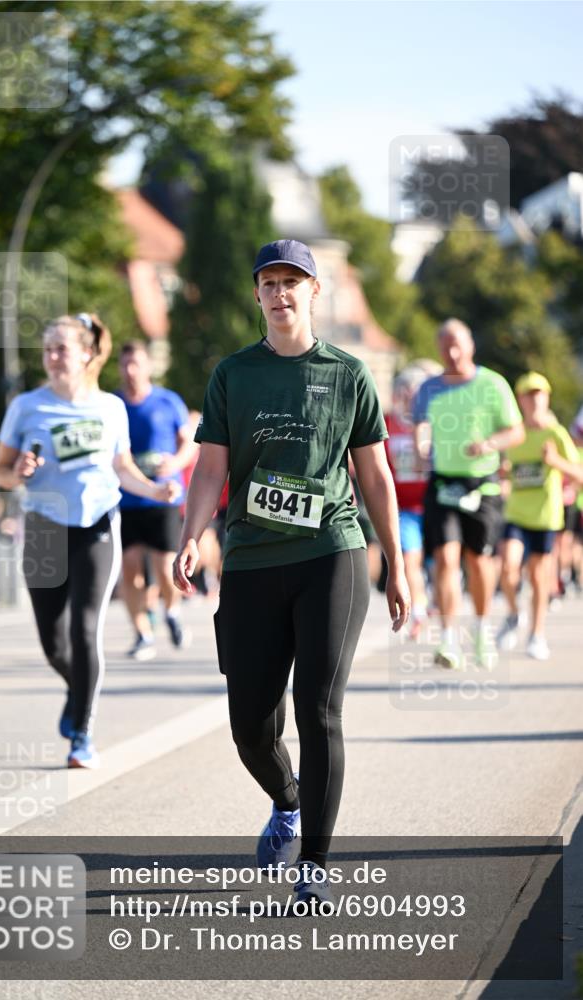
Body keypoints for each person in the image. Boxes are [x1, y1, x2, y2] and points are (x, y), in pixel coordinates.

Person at [173, 239, 410, 909]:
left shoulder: (347, 373)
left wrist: (397, 564)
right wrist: (192, 535)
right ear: (257, 293)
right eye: (270, 282)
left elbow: (374, 475)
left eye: (292, 281)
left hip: (331, 552)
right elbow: (211, 467)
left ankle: (315, 864)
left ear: (313, 292)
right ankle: (287, 801)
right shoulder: (233, 374)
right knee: (250, 724)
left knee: (318, 709)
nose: (280, 293)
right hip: (251, 558)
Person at [0, 314, 176, 769]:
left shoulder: (110, 408)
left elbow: (122, 467)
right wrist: (16, 473)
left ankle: (82, 733)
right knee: (54, 643)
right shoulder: (26, 406)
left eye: (62, 348)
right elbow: (0, 471)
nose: (53, 357)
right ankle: (78, 691)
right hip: (44, 528)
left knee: (85, 628)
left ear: (87, 354)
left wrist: (155, 491)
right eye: (47, 349)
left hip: (97, 523)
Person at [413, 319, 524, 669]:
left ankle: (480, 628)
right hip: (443, 482)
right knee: (445, 558)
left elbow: (516, 431)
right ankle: (448, 639)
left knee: (478, 561)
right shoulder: (429, 387)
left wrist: (489, 443)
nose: (452, 352)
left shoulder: (493, 384)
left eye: (457, 344)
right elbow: (421, 426)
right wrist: (421, 447)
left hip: (482, 485)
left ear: (471, 345)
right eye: (445, 345)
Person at [117, 340, 198, 660]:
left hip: (164, 497)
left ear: (148, 366)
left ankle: (172, 612)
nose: (130, 370)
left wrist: (175, 463)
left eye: (136, 363)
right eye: (125, 364)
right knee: (130, 568)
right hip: (126, 500)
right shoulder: (113, 404)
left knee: (166, 569)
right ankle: (142, 634)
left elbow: (189, 443)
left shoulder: (168, 401)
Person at [497, 373, 581, 660]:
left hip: (545, 516)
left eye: (540, 395)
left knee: (537, 577)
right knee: (507, 567)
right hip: (516, 513)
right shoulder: (514, 434)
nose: (535, 401)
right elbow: (505, 474)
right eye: (529, 395)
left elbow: (579, 474)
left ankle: (537, 635)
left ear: (547, 398)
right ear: (520, 400)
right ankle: (513, 614)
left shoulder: (556, 434)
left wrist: (555, 462)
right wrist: (504, 476)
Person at [384, 362, 442, 639]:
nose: (408, 396)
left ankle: (439, 605)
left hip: (435, 505)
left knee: (440, 562)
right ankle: (418, 612)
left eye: (415, 391)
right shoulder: (386, 423)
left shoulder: (436, 422)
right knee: (410, 559)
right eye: (404, 390)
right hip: (404, 508)